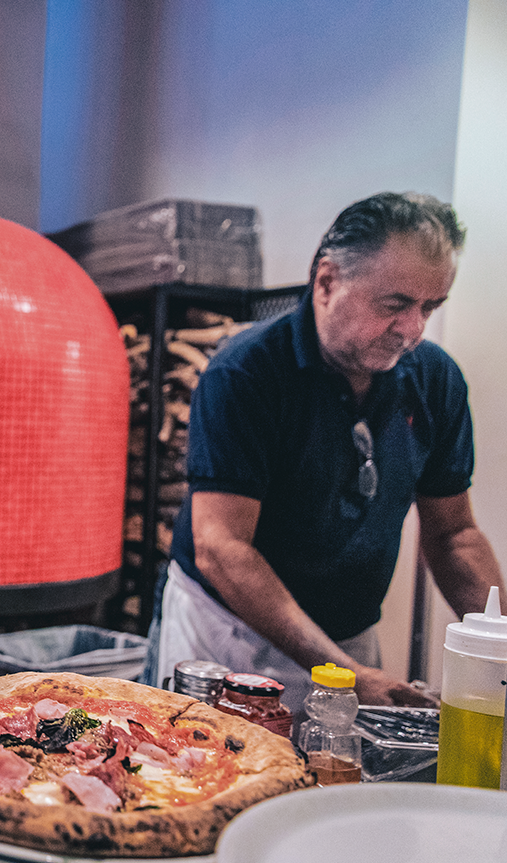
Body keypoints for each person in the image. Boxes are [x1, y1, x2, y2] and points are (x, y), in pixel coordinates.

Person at [149, 191, 503, 713]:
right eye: (395, 304)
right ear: (327, 281)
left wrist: (498, 647)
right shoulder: (245, 374)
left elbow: (453, 534)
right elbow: (223, 547)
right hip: (227, 639)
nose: (414, 329)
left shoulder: (435, 379)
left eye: (430, 306)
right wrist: (345, 675)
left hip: (348, 638)